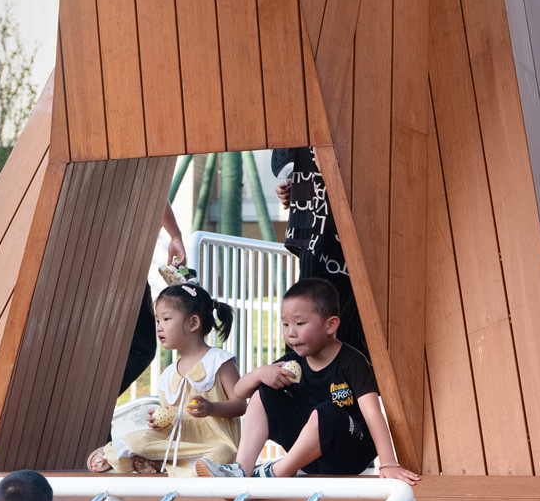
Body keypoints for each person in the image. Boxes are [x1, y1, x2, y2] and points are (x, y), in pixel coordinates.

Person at [197, 279, 419, 485]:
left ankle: (276, 473)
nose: (291, 333)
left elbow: (373, 413)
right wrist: (259, 374)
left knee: (326, 412)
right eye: (285, 324)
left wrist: (388, 462)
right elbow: (239, 392)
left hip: (349, 453)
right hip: (308, 457)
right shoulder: (293, 362)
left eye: (300, 323)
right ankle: (241, 471)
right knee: (263, 393)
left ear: (330, 325)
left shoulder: (352, 362)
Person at [88, 282, 243, 476]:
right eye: (158, 321)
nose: (159, 327)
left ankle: (159, 464)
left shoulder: (219, 361)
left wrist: (211, 408)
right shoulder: (168, 374)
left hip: (210, 444)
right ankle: (113, 454)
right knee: (139, 441)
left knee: (223, 454)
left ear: (193, 323)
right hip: (177, 443)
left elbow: (240, 405)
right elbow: (169, 415)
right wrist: (158, 421)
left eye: (166, 319)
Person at [272, 147, 368, 358]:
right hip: (316, 231)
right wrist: (296, 189)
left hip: (342, 234)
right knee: (312, 317)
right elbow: (290, 167)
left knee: (339, 326)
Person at [120, 202, 190, 394]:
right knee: (141, 348)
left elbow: (158, 194)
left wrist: (175, 236)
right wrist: (175, 236)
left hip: (119, 260)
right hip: (119, 260)